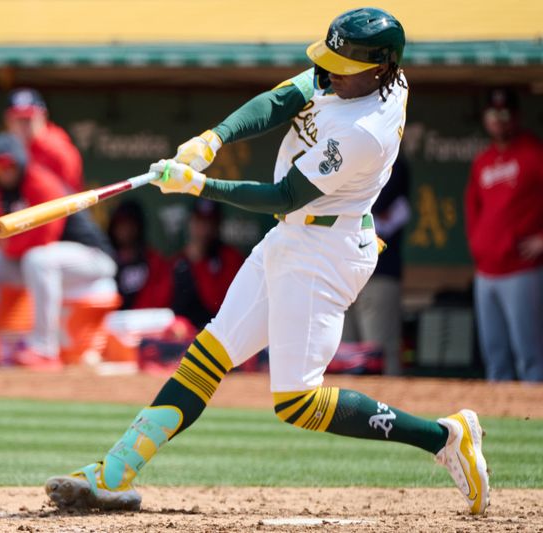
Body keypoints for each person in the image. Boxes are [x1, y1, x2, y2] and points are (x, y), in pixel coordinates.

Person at [45, 7, 489, 516]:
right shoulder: (360, 76)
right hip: (292, 239)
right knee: (208, 354)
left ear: (379, 69)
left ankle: (443, 437)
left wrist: (199, 185)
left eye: (343, 65)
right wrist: (214, 139)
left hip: (324, 253)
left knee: (296, 402)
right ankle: (114, 471)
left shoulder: (365, 129)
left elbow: (285, 195)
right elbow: (284, 98)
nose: (329, 72)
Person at [0, 133, 116, 368]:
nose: (3, 171)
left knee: (38, 259)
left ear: (20, 162)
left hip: (92, 257)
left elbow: (45, 237)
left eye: (8, 164)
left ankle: (44, 348)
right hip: (42, 260)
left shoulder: (41, 181)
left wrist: (10, 245)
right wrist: (8, 246)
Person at [466, 88, 543, 381]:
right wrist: (478, 246)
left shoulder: (534, 153)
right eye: (493, 114)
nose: (499, 121)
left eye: (504, 114)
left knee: (530, 356)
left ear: (516, 117)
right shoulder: (482, 160)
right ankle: (502, 421)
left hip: (522, 271)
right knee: (495, 357)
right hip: (486, 272)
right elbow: (473, 209)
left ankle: (536, 421)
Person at [342, 153, 411, 375]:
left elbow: (377, 203)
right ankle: (346, 411)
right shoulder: (341, 154)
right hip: (340, 272)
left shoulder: (392, 161)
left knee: (380, 354)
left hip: (378, 274)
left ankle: (389, 409)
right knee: (344, 356)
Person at [171, 198, 244, 329]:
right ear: (191, 222)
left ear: (218, 224)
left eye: (210, 222)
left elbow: (217, 305)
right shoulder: (178, 260)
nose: (205, 228)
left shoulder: (231, 258)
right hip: (182, 337)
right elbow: (166, 308)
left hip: (218, 334)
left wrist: (199, 262)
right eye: (199, 221)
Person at [3, 87, 83, 192]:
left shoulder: (59, 150)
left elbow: (72, 199)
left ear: (43, 116)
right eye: (18, 119)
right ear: (7, 121)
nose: (23, 126)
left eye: (28, 119)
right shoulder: (5, 148)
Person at [107, 199, 172, 310]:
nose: (125, 229)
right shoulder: (105, 260)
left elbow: (161, 299)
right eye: (121, 223)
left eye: (130, 223)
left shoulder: (154, 261)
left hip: (145, 322)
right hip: (111, 321)